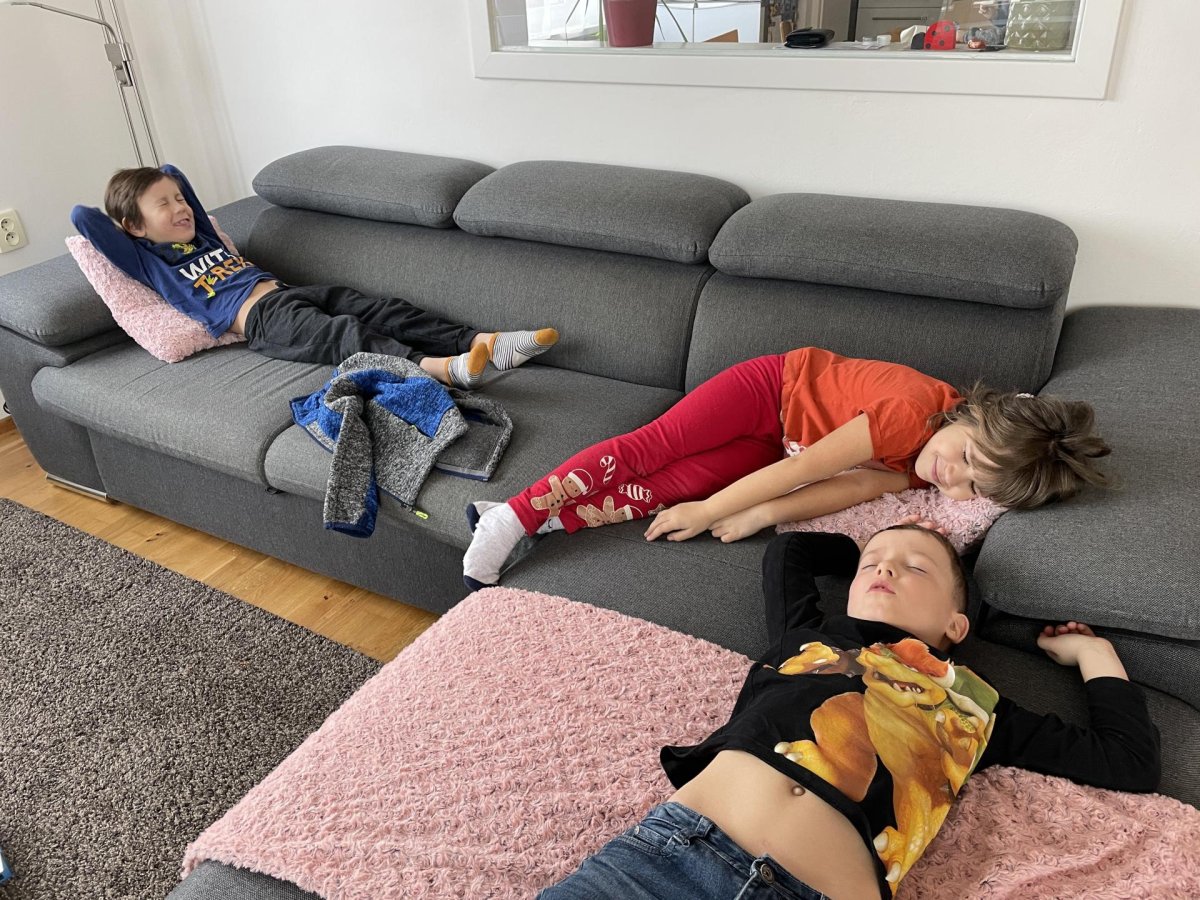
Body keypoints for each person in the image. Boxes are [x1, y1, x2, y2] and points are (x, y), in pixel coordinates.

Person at [539, 524, 1161, 899]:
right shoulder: (810, 636)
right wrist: (864, 545)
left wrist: (1093, 652)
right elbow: (789, 554)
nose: (886, 566)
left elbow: (1127, 760)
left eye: (916, 567)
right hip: (666, 857)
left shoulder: (975, 705)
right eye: (874, 562)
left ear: (957, 624)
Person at [463, 347, 1110, 587]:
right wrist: (716, 512)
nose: (952, 479)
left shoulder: (925, 466)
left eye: (973, 486)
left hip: (780, 443)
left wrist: (757, 514)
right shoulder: (912, 416)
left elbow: (849, 487)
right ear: (975, 413)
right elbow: (816, 467)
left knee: (682, 486)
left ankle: (548, 521)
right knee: (651, 449)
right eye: (966, 458)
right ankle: (513, 517)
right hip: (769, 388)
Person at [71, 165, 559, 388]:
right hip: (261, 321)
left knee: (381, 308)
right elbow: (83, 218)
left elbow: (179, 178)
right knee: (347, 334)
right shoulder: (150, 261)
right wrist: (132, 213)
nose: (180, 208)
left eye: (179, 200)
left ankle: (487, 342)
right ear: (134, 226)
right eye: (164, 204)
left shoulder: (203, 237)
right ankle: (440, 369)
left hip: (290, 292)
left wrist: (168, 184)